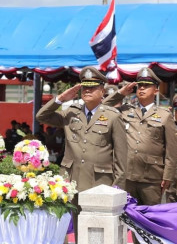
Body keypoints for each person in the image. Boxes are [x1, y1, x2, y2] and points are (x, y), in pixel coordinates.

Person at [36, 66, 127, 241]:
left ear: (102, 90)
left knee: (99, 230)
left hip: (100, 182)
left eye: (92, 87)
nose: (87, 91)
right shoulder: (70, 112)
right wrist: (60, 99)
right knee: (73, 228)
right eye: (85, 87)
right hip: (72, 179)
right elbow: (42, 116)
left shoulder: (113, 116)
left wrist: (118, 187)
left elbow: (121, 156)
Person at [103, 68, 177, 204]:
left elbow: (171, 150)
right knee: (126, 217)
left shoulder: (164, 116)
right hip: (127, 175)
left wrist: (168, 176)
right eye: (140, 85)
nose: (142, 88)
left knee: (149, 217)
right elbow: (103, 107)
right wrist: (120, 93)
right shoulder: (125, 110)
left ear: (156, 90)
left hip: (151, 177)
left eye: (147, 86)